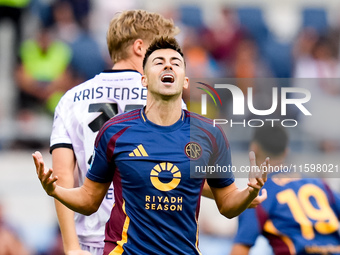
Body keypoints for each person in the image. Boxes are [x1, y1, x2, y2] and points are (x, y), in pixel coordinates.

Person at [33, 36, 268, 255]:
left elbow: (227, 204)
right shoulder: (115, 131)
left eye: (175, 62)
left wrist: (249, 193)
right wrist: (56, 191)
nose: (168, 66)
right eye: (159, 62)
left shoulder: (209, 133)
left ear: (185, 80)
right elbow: (89, 200)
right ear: (143, 79)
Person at [45, 10, 180, 255]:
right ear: (140, 47)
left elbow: (63, 175)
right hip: (145, 240)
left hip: (90, 240)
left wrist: (71, 247)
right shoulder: (165, 97)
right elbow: (177, 171)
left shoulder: (71, 99)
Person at [230, 123, 340, 255]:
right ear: (286, 151)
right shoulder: (320, 184)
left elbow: (240, 249)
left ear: (254, 148)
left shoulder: (259, 192)